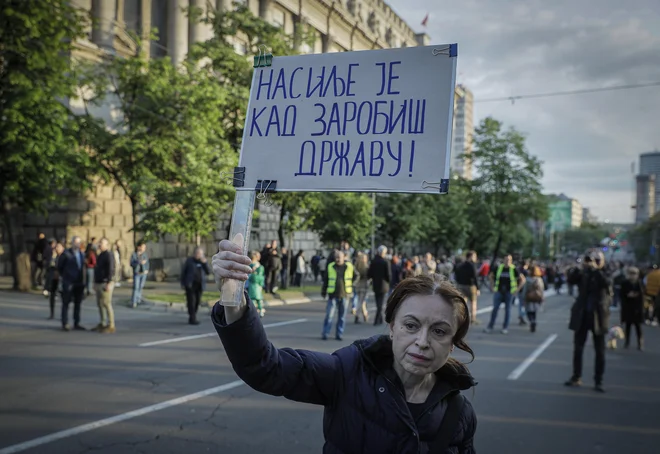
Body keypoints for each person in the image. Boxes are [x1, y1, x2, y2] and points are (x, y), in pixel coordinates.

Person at [211, 238, 477, 454]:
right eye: (411, 325)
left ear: (453, 343)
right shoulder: (348, 372)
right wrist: (233, 299)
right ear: (392, 327)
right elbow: (266, 367)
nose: (422, 342)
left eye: (439, 331)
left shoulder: (460, 413)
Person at [565, 250, 611, 393]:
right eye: (591, 259)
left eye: (597, 259)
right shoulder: (583, 273)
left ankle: (599, 380)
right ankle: (576, 376)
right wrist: (579, 266)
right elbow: (571, 280)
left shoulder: (605, 272)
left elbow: (606, 283)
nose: (593, 262)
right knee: (578, 348)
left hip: (598, 315)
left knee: (600, 350)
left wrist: (596, 269)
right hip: (582, 314)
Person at [321, 251, 358, 341]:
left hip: (345, 295)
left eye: (339, 257)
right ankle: (325, 333)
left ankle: (339, 334)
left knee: (342, 317)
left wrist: (352, 284)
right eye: (336, 257)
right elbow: (326, 279)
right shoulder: (330, 266)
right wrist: (323, 291)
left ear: (343, 257)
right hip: (332, 295)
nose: (337, 259)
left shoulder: (349, 266)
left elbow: (356, 275)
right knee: (329, 315)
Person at [485, 255, 521, 334]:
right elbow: (491, 276)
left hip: (509, 292)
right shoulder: (499, 267)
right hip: (499, 291)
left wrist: (517, 290)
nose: (507, 261)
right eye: (506, 259)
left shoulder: (513, 269)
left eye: (509, 259)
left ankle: (505, 327)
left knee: (507, 310)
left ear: (511, 260)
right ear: (503, 260)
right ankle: (490, 326)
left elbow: (522, 279)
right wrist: (492, 286)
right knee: (495, 309)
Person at [57, 236, 86, 331]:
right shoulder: (66, 254)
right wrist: (65, 277)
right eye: (75, 242)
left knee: (78, 303)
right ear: (72, 243)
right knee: (66, 302)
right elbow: (60, 267)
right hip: (68, 282)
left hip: (79, 282)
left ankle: (76, 322)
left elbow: (82, 268)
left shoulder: (81, 254)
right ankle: (64, 322)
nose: (77, 244)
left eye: (79, 243)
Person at [180, 247, 211, 325]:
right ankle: (192, 317)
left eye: (200, 254)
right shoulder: (189, 261)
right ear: (194, 253)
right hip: (190, 285)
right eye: (197, 253)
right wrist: (183, 283)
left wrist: (205, 263)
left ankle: (194, 314)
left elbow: (208, 272)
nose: (198, 255)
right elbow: (184, 272)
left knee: (197, 301)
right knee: (191, 302)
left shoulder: (202, 262)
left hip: (199, 285)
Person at [93, 238, 116, 333]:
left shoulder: (109, 255)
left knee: (106, 303)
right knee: (100, 304)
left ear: (107, 245)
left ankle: (111, 325)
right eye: (99, 243)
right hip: (99, 282)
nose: (99, 245)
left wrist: (109, 281)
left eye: (101, 243)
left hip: (105, 282)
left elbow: (111, 269)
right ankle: (102, 322)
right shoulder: (100, 255)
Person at [620, 267, 644, 351]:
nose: (632, 276)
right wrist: (628, 295)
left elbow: (642, 295)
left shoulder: (639, 283)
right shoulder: (625, 283)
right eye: (631, 273)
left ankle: (640, 342)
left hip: (637, 308)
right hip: (628, 308)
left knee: (638, 327)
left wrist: (636, 295)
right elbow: (622, 295)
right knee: (628, 326)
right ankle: (627, 342)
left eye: (634, 274)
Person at [454, 251, 480, 325]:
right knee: (473, 302)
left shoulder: (460, 265)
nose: (475, 258)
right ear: (471, 257)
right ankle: (473, 319)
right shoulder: (472, 265)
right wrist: (478, 288)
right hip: (470, 286)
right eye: (474, 256)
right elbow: (475, 277)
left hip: (461, 285)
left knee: (463, 303)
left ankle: (461, 319)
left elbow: (456, 275)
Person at [368, 245, 392, 326]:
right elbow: (388, 274)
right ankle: (377, 319)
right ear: (383, 252)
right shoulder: (386, 262)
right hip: (384, 285)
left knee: (378, 301)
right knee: (380, 303)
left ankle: (380, 319)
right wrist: (389, 281)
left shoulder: (373, 261)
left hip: (375, 284)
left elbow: (370, 273)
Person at [522, 266, 545, 333]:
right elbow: (541, 289)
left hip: (529, 297)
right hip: (537, 297)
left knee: (528, 311)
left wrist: (523, 297)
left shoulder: (528, 279)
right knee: (534, 311)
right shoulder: (539, 280)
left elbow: (525, 289)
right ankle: (534, 321)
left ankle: (531, 321)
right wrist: (542, 297)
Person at [47, 242, 65, 319]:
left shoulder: (64, 257)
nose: (57, 248)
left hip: (62, 278)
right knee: (52, 296)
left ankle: (63, 315)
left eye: (59, 247)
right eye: (56, 247)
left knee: (63, 298)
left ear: (62, 248)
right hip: (54, 278)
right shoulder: (54, 257)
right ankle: (52, 313)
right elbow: (50, 266)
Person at [130, 242, 150, 308]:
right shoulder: (134, 255)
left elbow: (147, 263)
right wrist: (138, 262)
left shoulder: (145, 255)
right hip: (137, 273)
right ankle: (134, 302)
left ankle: (138, 300)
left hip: (143, 273)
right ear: (139, 247)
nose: (144, 248)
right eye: (143, 247)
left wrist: (147, 269)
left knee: (141, 287)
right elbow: (131, 263)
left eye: (145, 247)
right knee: (136, 287)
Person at [247, 251, 266, 317]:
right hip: (254, 284)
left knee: (255, 298)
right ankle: (256, 311)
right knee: (256, 299)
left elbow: (259, 277)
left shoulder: (257, 266)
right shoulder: (256, 266)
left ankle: (256, 311)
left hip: (254, 284)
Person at [353, 252, 370, 324]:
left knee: (361, 301)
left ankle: (365, 315)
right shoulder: (366, 267)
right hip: (364, 285)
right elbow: (368, 277)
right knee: (361, 301)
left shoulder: (356, 266)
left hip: (357, 285)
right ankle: (357, 315)